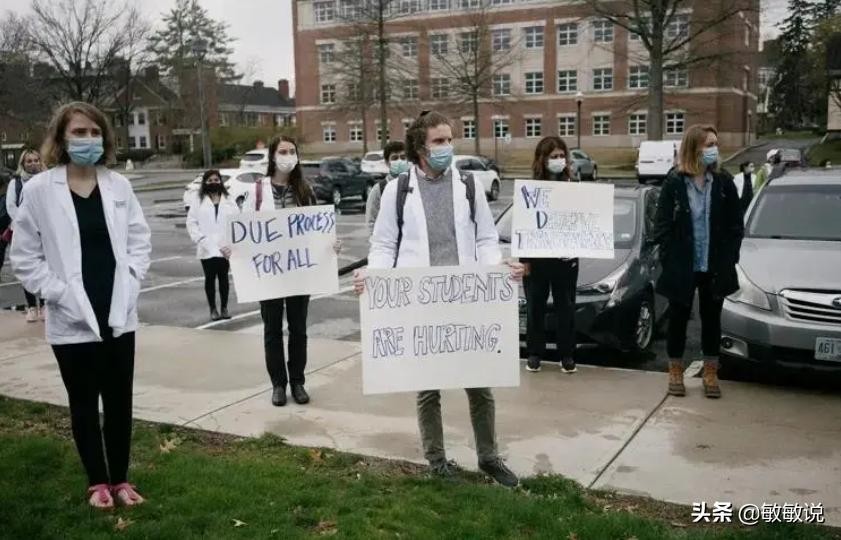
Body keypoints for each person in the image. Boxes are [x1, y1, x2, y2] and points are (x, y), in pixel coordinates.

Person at [353, 110, 524, 488]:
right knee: (428, 389)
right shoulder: (397, 191)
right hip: (422, 302)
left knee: (480, 385)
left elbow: (485, 237)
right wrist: (374, 277)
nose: (448, 147)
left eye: (450, 139)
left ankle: (489, 457)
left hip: (465, 298)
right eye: (439, 141)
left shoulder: (468, 185)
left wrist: (497, 269)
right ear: (420, 147)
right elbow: (384, 244)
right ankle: (437, 461)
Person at [10, 102, 152, 508]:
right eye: (79, 132)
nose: (88, 139)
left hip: (117, 310)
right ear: (61, 138)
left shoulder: (118, 186)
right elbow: (25, 257)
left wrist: (132, 280)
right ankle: (98, 483)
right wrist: (58, 293)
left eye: (94, 132)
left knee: (120, 401)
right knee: (84, 402)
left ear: (104, 138)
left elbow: (139, 241)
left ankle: (120, 478)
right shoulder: (40, 190)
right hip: (71, 316)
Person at [242, 136, 341, 407]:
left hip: (299, 271)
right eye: (282, 151)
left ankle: (297, 382)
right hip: (269, 273)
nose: (287, 156)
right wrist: (233, 248)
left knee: (298, 329)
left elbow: (317, 229)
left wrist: (330, 244)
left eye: (292, 151)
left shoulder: (304, 190)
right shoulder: (257, 192)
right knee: (272, 330)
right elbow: (244, 229)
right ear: (273, 156)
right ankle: (278, 384)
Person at [650, 124, 743, 399]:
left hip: (714, 264)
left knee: (711, 320)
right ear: (694, 148)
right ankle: (675, 371)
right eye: (709, 144)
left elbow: (736, 225)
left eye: (716, 144)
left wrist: (730, 256)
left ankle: (711, 372)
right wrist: (669, 257)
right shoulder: (675, 182)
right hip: (683, 264)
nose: (715, 149)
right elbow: (662, 226)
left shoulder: (724, 182)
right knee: (678, 319)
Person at [522, 136, 579, 374]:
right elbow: (524, 225)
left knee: (566, 307)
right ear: (543, 159)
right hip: (538, 260)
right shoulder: (530, 189)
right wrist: (524, 260)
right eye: (554, 156)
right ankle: (535, 353)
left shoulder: (574, 186)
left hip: (565, 260)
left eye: (562, 156)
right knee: (535, 307)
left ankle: (566, 355)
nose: (559, 160)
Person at [186, 169, 238, 321]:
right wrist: (201, 239)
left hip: (224, 247)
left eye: (216, 180)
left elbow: (236, 221)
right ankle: (213, 309)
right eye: (210, 180)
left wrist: (231, 242)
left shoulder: (229, 200)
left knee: (223, 278)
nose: (213, 183)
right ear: (205, 183)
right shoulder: (198, 200)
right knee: (210, 278)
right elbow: (191, 222)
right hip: (206, 246)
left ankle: (224, 308)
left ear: (220, 182)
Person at [6, 149, 47, 321]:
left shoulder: (47, 181)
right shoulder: (15, 183)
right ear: (22, 164)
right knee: (27, 268)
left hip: (44, 231)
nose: (33, 164)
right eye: (29, 161)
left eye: (36, 160)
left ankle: (44, 305)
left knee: (46, 268)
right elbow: (11, 206)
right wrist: (26, 225)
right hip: (23, 232)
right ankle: (31, 306)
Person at [365, 141, 408, 234]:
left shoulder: (414, 185)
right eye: (395, 158)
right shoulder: (379, 189)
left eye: (403, 157)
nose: (399, 161)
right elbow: (371, 221)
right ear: (387, 162)